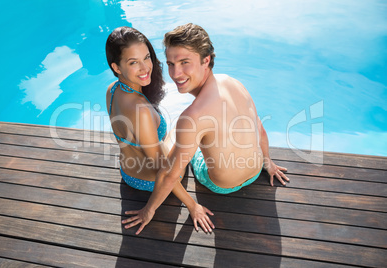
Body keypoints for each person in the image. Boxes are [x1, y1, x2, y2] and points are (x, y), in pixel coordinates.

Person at [122, 23, 290, 235]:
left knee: (174, 134)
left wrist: (148, 210)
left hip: (221, 185)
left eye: (184, 63)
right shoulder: (233, 82)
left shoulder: (192, 116)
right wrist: (268, 163)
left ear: (206, 60)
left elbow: (169, 175)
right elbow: (259, 128)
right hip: (256, 170)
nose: (175, 73)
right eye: (171, 64)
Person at [105, 26, 213, 231]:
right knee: (195, 129)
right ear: (117, 67)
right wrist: (192, 205)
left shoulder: (113, 89)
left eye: (146, 57)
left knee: (181, 130)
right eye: (133, 62)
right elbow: (163, 169)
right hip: (151, 181)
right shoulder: (140, 111)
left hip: (128, 172)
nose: (145, 68)